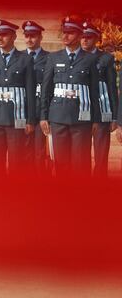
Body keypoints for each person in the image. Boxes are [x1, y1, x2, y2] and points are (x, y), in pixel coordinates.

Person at [40, 15, 100, 177]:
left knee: (81, 163)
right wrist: (43, 116)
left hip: (82, 118)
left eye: (70, 33)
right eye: (64, 32)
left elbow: (95, 91)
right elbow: (46, 89)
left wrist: (96, 119)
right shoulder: (53, 57)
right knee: (61, 162)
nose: (65, 36)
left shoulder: (91, 59)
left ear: (80, 35)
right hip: (58, 116)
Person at [0, 20, 36, 175]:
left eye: (4, 35)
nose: (0, 39)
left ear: (14, 36)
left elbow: (30, 90)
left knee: (17, 161)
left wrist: (30, 120)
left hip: (16, 118)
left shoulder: (25, 59)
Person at [80, 20, 118, 177]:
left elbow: (111, 87)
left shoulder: (106, 58)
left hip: (102, 110)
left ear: (96, 39)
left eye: (88, 36)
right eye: (82, 36)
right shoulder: (75, 57)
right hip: (81, 110)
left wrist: (115, 116)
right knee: (80, 153)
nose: (84, 40)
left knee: (101, 153)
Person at [23, 20, 51, 175]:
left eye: (32, 36)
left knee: (40, 150)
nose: (29, 39)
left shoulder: (49, 59)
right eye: (26, 36)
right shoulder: (18, 57)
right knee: (23, 150)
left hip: (41, 108)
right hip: (23, 109)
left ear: (40, 37)